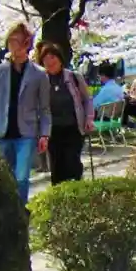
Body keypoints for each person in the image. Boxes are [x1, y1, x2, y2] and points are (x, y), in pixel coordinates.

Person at [0, 22, 50, 204]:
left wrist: (44, 134)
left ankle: (20, 210)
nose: (12, 46)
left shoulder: (39, 74)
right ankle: (4, 210)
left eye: (16, 41)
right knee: (2, 177)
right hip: (2, 131)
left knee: (21, 177)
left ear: (26, 44)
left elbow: (44, 108)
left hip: (26, 132)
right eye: (10, 41)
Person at [39, 43, 92, 186]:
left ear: (60, 59)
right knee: (56, 167)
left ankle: (76, 193)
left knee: (72, 163)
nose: (49, 61)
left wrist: (89, 118)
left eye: (52, 57)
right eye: (45, 59)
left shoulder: (74, 77)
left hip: (73, 128)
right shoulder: (42, 80)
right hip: (53, 130)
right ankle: (58, 198)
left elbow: (87, 99)